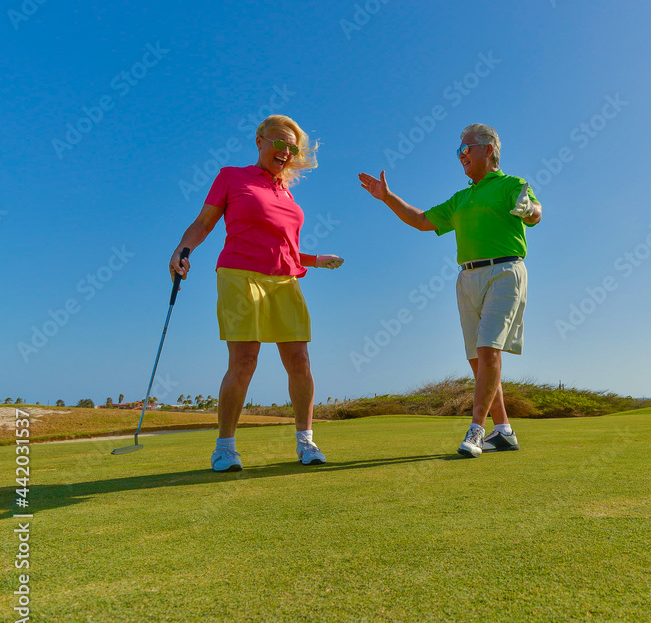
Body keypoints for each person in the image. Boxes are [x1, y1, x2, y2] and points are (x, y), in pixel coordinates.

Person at [170, 114, 344, 472]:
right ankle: (225, 448)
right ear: (259, 141)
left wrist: (316, 259)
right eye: (279, 142)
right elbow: (204, 223)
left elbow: (286, 248)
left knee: (299, 360)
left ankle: (305, 442)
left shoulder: (289, 195)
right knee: (245, 359)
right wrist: (183, 249)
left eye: (292, 147)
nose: (285, 151)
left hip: (285, 279)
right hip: (239, 273)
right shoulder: (232, 177)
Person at [359, 123, 542, 457]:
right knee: (478, 360)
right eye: (458, 151)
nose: (461, 156)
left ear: (488, 149)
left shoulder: (511, 184)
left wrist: (528, 210)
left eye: (466, 148)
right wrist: (387, 198)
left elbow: (534, 212)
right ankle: (504, 431)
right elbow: (421, 220)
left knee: (488, 351)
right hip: (467, 278)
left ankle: (476, 431)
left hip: (504, 271)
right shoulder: (461, 198)